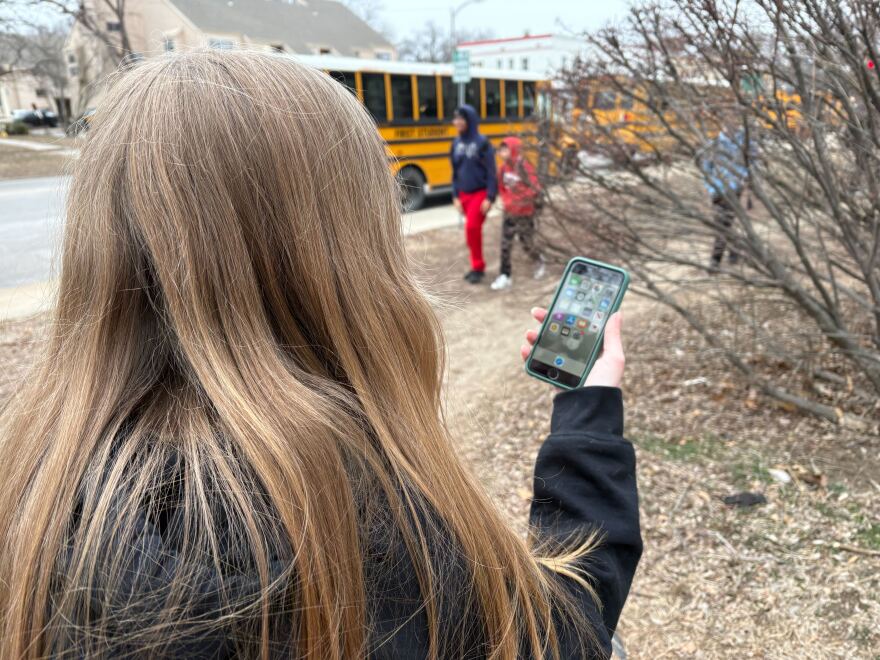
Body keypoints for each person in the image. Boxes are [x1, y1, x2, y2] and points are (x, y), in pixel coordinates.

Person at [0, 50, 641, 659]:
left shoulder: (32, 485)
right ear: (346, 265)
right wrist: (590, 409)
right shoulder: (353, 521)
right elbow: (559, 630)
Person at [491, 136, 546, 290]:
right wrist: (506, 200)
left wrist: (519, 201)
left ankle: (539, 259)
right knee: (505, 244)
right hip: (509, 213)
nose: (502, 152)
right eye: (501, 149)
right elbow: (501, 186)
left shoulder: (524, 167)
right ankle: (505, 275)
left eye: (505, 148)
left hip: (524, 213)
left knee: (526, 242)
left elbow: (534, 188)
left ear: (514, 149)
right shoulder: (503, 168)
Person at [451, 104, 497, 284]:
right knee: (470, 233)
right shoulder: (456, 143)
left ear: (469, 120)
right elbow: (454, 172)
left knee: (472, 228)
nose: (457, 122)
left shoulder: (482, 142)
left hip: (480, 193)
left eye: (461, 118)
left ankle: (478, 267)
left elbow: (491, 172)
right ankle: (475, 266)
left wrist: (490, 197)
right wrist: (455, 196)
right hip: (463, 194)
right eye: (455, 118)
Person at [699, 128, 750, 272]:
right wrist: (710, 188)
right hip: (717, 190)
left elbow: (748, 165)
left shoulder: (741, 142)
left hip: (734, 190)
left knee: (722, 224)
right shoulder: (714, 144)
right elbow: (706, 169)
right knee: (725, 223)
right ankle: (734, 251)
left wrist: (740, 182)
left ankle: (715, 261)